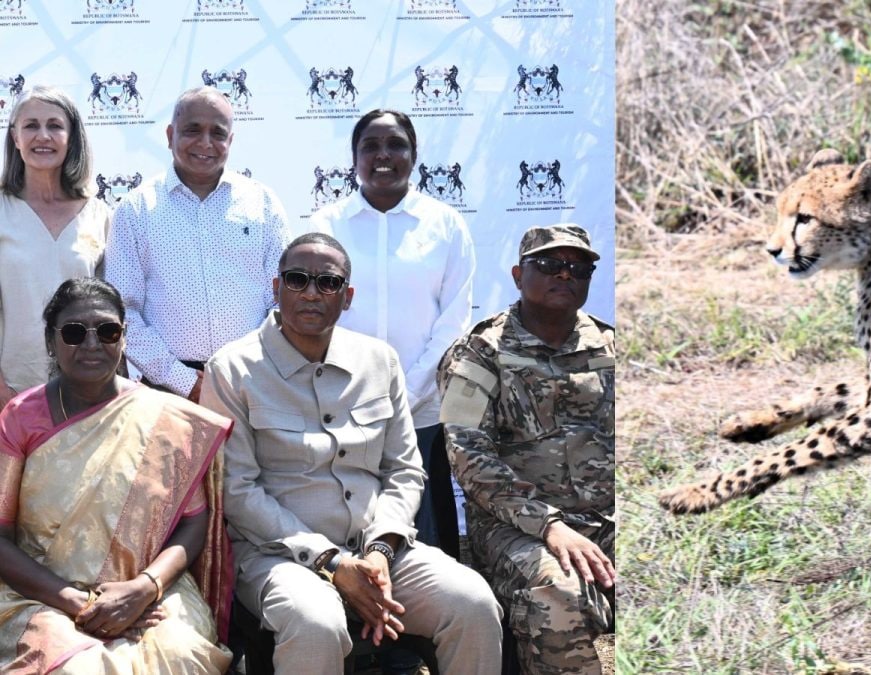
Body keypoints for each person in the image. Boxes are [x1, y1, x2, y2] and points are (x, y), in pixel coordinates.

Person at [201, 232, 502, 674]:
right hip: (279, 556)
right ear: (275, 287)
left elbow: (403, 470)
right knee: (315, 622)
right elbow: (239, 491)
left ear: (347, 297)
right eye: (297, 279)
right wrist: (332, 562)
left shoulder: (380, 361)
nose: (311, 292)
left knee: (472, 603)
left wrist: (380, 549)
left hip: (380, 551)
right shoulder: (232, 369)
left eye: (328, 283)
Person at [0, 277, 234, 673]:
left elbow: (195, 522)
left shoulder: (165, 419)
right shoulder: (21, 418)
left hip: (148, 591)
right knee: (78, 668)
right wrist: (77, 601)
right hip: (41, 591)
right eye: (75, 333)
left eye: (107, 331)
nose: (92, 344)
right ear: (51, 341)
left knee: (181, 654)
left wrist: (145, 588)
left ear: (124, 337)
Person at [437, 224, 616, 675]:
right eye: (549, 265)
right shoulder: (479, 353)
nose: (564, 275)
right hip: (517, 527)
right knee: (558, 592)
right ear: (519, 275)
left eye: (578, 268)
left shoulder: (611, 345)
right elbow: (469, 459)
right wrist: (549, 525)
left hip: (608, 518)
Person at [309, 108, 474, 558]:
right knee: (345, 521)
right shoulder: (327, 227)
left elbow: (453, 324)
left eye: (396, 144)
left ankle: (430, 622)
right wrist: (357, 391)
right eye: (371, 146)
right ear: (354, 158)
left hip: (422, 409)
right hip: (342, 404)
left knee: (429, 534)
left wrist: (403, 392)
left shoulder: (445, 226)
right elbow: (312, 314)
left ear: (414, 154)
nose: (384, 155)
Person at [105, 86, 290, 403]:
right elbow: (122, 312)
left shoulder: (263, 203)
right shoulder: (135, 210)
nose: (205, 143)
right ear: (169, 134)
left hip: (256, 385)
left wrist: (251, 371)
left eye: (218, 133)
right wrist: (183, 380)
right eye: (192, 130)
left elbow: (284, 299)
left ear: (230, 141)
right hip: (166, 392)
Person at [0, 85, 110, 407]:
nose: (43, 136)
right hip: (11, 395)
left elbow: (112, 313)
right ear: (15, 138)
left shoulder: (99, 214)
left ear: (72, 137)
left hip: (85, 394)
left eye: (55, 125)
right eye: (31, 125)